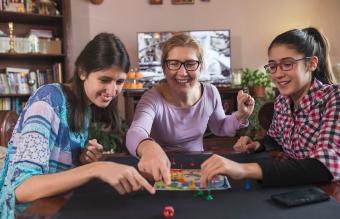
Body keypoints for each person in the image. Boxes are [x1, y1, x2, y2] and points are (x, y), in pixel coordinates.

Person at [0, 33, 155, 219]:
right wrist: (95, 169)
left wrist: (82, 160)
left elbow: (57, 168)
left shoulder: (84, 107)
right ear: (82, 72)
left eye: (119, 82)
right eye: (105, 80)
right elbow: (22, 189)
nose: (112, 91)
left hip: (59, 203)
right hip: (28, 212)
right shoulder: (48, 101)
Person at [200, 27, 339, 187]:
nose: (277, 74)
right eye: (273, 66)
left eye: (287, 64)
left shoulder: (334, 97)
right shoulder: (282, 101)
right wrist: (256, 144)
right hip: (294, 186)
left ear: (312, 64)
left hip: (327, 191)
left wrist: (243, 169)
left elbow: (324, 166)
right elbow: (275, 139)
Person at [126, 34, 255, 185]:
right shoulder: (152, 98)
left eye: (190, 63)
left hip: (198, 168)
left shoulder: (210, 92)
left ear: (201, 66)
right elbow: (136, 132)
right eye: (174, 64)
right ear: (164, 68)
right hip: (160, 172)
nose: (182, 72)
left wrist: (241, 115)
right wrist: (148, 147)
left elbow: (219, 127)